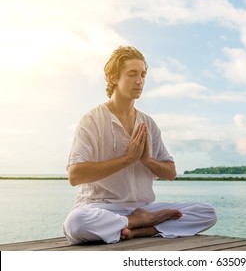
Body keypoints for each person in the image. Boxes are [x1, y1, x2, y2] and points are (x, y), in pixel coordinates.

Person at [63, 46, 217, 245]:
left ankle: (142, 230)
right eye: (132, 74)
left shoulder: (148, 123)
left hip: (144, 208)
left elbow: (170, 172)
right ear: (113, 78)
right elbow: (75, 175)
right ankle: (134, 223)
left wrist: (146, 160)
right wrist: (127, 159)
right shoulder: (92, 120)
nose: (139, 81)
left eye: (143, 74)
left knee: (206, 212)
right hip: (102, 208)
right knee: (76, 223)